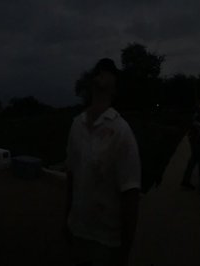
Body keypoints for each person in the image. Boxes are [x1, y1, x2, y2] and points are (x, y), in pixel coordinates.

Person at [65, 58, 141, 266]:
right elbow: (72, 176)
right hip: (77, 232)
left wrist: (124, 251)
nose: (102, 71)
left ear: (115, 89)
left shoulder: (122, 132)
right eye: (98, 69)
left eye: (108, 70)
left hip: (106, 242)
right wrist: (67, 220)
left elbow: (131, 196)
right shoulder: (76, 126)